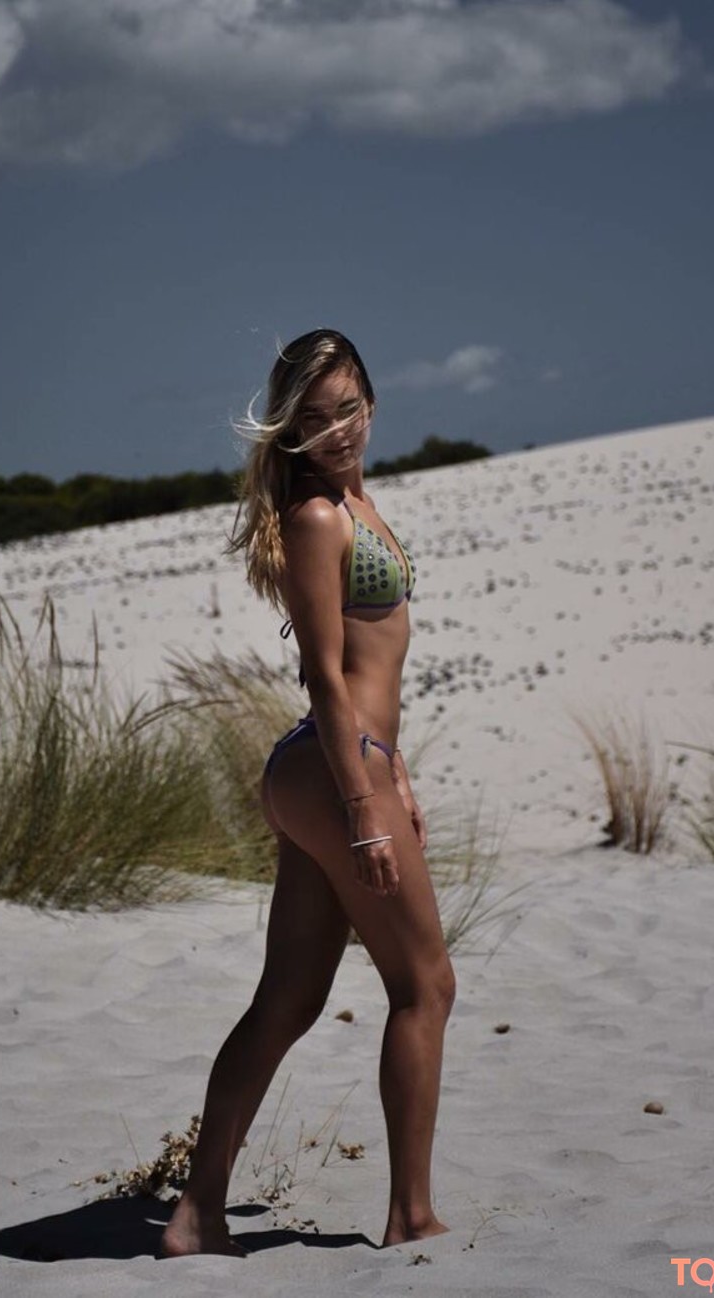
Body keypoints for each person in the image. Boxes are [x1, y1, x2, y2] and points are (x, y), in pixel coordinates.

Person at [159, 329, 456, 1258]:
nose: (338, 431)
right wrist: (363, 806)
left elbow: (374, 667)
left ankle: (196, 1216)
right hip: (335, 766)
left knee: (289, 1001)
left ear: (373, 402)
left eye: (349, 409)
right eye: (317, 419)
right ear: (291, 428)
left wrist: (394, 773)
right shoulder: (319, 518)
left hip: (340, 764)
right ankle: (411, 1217)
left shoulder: (355, 500)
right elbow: (327, 677)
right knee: (427, 988)